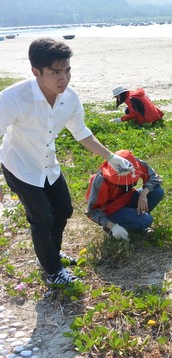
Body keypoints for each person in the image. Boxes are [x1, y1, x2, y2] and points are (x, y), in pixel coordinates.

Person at [0, 38, 134, 286]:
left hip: (48, 166)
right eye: (55, 72)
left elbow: (81, 132)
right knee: (42, 219)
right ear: (36, 72)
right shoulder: (13, 98)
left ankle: (50, 252)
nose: (64, 78)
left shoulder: (69, 98)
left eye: (67, 70)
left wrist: (111, 157)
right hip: (20, 167)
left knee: (63, 210)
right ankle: (52, 270)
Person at [86, 150, 164, 239]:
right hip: (112, 210)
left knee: (157, 191)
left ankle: (134, 222)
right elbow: (92, 211)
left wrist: (143, 194)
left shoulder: (135, 164)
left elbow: (153, 177)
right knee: (147, 220)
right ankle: (116, 227)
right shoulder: (100, 181)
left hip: (128, 198)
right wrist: (112, 226)